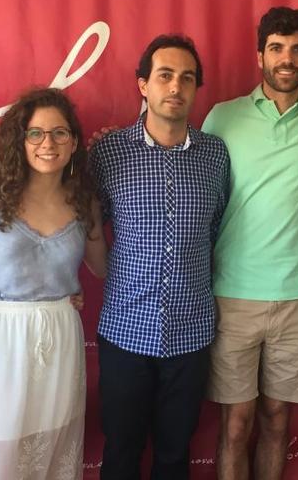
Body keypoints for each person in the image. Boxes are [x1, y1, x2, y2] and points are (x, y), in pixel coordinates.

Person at [201, 7, 298, 480]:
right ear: (260, 55)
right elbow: (181, 170)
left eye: (297, 50)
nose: (286, 59)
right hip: (233, 294)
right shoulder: (222, 117)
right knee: (234, 425)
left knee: (275, 419)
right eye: (277, 48)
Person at [89, 34, 230, 480]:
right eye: (165, 76)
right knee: (121, 451)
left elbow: (215, 229)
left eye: (187, 78)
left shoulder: (215, 155)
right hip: (125, 331)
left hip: (191, 334)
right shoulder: (109, 153)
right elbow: (92, 228)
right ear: (142, 85)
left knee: (174, 455)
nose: (176, 87)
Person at [0, 88, 107, 479]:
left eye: (59, 133)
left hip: (60, 335)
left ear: (74, 142)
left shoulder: (83, 201)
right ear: (19, 140)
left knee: (52, 451)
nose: (48, 143)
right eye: (35, 133)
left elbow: (102, 268)